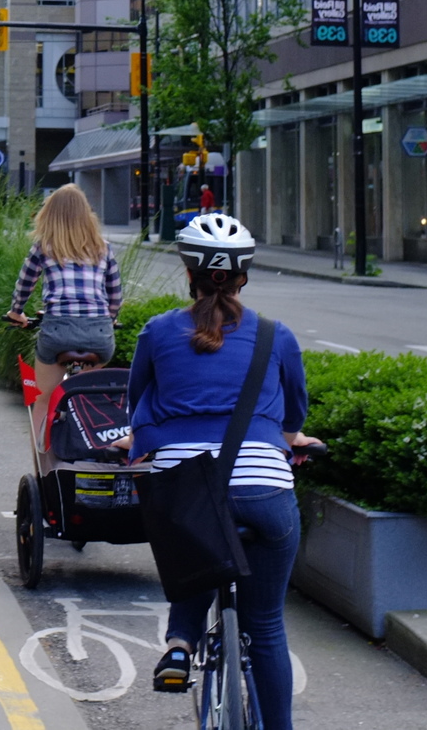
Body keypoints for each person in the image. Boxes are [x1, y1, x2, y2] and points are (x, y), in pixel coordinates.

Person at [125, 213, 318, 730]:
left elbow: (136, 399)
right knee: (267, 625)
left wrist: (138, 441)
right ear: (243, 276)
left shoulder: (158, 331)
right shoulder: (277, 337)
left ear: (188, 274)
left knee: (193, 529)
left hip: (185, 485)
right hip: (265, 492)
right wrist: (291, 437)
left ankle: (180, 645)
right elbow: (294, 413)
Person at [4, 184, 122, 473]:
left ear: (50, 215)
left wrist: (16, 312)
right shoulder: (102, 248)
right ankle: (96, 463)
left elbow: (24, 285)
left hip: (57, 333)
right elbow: (115, 294)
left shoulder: (44, 246)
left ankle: (43, 472)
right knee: (92, 400)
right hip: (99, 335)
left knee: (42, 401)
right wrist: (109, 317)